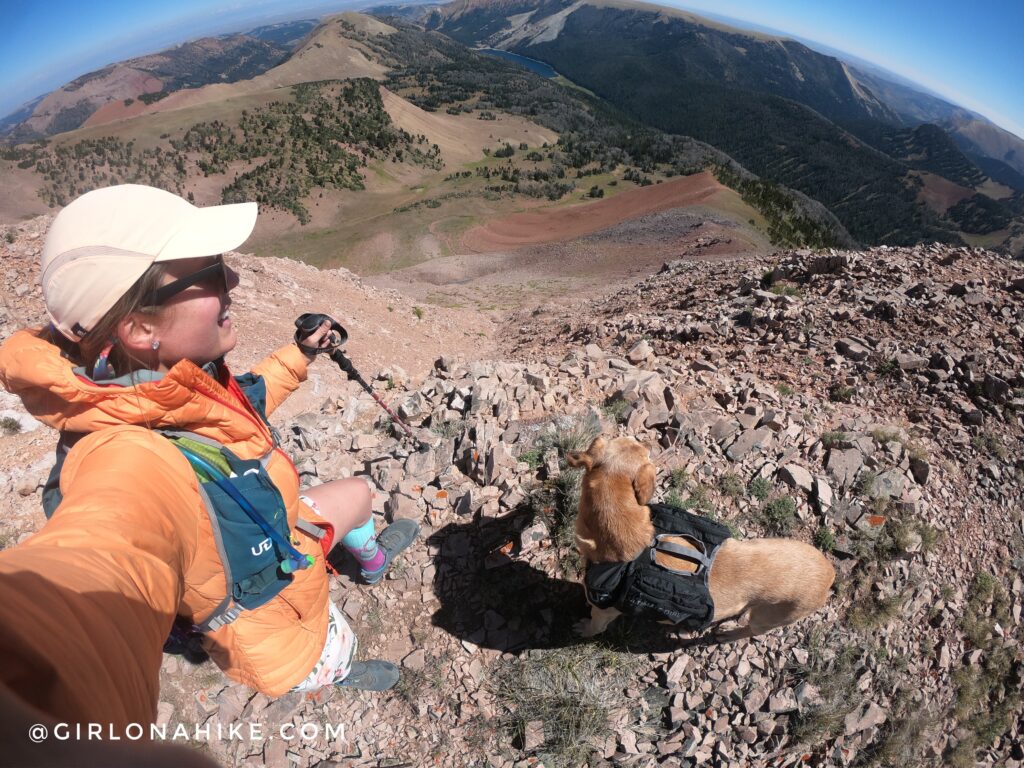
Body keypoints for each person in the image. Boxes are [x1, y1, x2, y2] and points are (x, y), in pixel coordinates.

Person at [0, 185, 420, 743]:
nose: (235, 283)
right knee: (324, 651)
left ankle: (368, 566)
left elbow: (243, 404)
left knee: (361, 494)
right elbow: (105, 553)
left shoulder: (176, 382)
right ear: (140, 329)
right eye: (212, 273)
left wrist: (302, 353)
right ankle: (338, 673)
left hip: (286, 539)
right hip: (263, 622)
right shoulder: (127, 452)